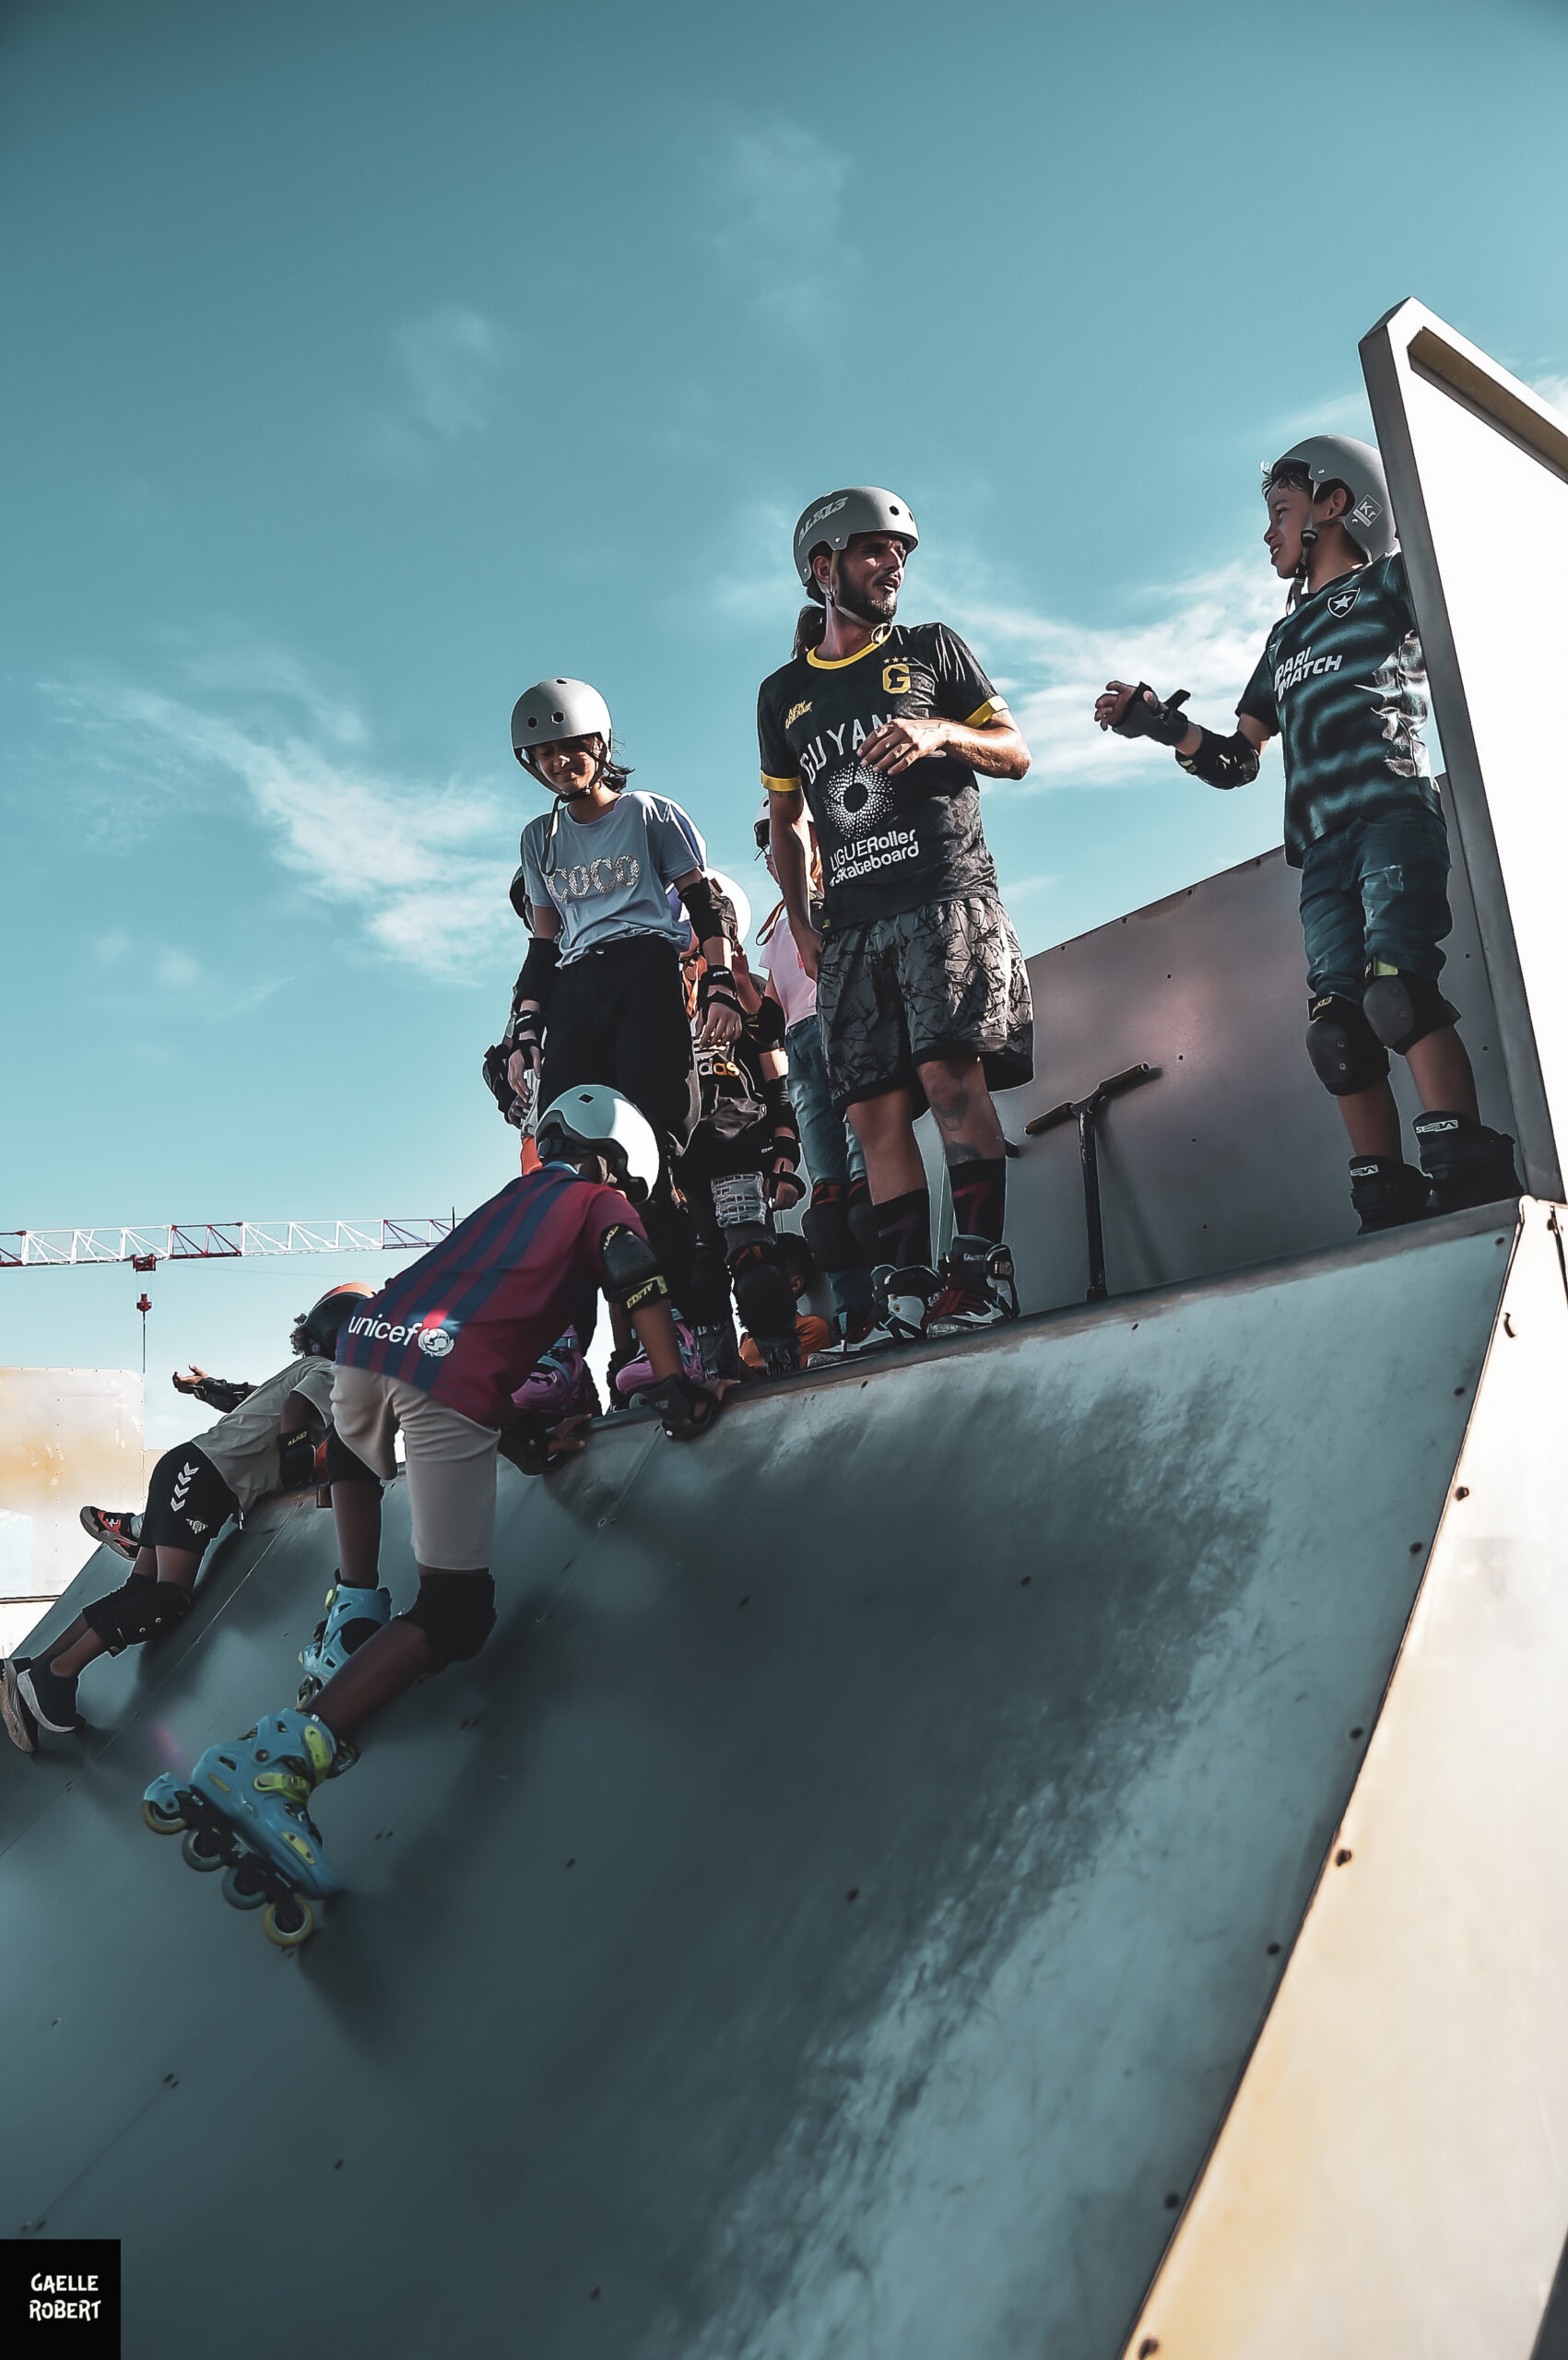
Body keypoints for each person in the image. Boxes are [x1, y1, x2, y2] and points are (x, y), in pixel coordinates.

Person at [141, 1087, 722, 1926]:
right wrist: (675, 1385)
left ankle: (353, 1602)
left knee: (357, 1445)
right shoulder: (596, 1200)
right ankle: (275, 1766)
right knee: (455, 1611)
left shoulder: (505, 1203)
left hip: (363, 1351)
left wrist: (521, 1435)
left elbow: (446, 1321)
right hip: (442, 1380)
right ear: (615, 1161)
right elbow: (632, 1270)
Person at [1094, 433, 1521, 1229]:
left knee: (1395, 993)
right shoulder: (1281, 640)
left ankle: (1466, 1170)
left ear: (1334, 504)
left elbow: (1475, 600)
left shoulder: (1391, 582)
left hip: (1391, 817)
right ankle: (1385, 1195)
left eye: (1280, 513)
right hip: (1320, 849)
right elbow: (1236, 761)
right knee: (1337, 1031)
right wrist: (1161, 725)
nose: (1267, 533)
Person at [758, 488, 1034, 1353]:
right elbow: (786, 821)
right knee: (873, 1116)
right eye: (874, 550)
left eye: (901, 553)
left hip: (942, 896)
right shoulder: (782, 694)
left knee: (952, 1085)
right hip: (851, 927)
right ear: (823, 566)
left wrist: (939, 734)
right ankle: (904, 1295)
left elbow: (1015, 752)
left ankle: (981, 1277)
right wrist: (803, 923)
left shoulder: (931, 649)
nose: (893, 566)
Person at [2, 1285, 378, 1753]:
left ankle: (35, 1667)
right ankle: (56, 1676)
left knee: (139, 1590)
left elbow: (252, 1402)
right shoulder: (329, 1371)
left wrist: (209, 1389)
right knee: (169, 1599)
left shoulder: (303, 1368)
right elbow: (295, 1413)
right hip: (203, 1479)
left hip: (189, 1470)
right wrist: (299, 1462)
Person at [497, 678, 743, 1308]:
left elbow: (704, 903)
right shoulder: (539, 839)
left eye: (569, 748)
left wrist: (719, 982)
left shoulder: (648, 814)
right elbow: (544, 944)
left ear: (601, 746)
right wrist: (526, 1029)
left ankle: (687, 1319)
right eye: (544, 755)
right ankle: (609, 1330)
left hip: (645, 971)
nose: (558, 763)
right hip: (578, 984)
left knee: (650, 1149)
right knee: (568, 1154)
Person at [752, 801, 878, 1345]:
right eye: (766, 841)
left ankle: (895, 1295)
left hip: (847, 1032)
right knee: (827, 1201)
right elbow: (769, 1020)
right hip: (801, 1050)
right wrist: (732, 976)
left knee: (865, 1187)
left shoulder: (847, 896)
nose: (772, 849)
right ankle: (854, 1315)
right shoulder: (778, 931)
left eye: (780, 834)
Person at [668, 896, 804, 1380]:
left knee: (756, 1270)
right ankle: (718, 1377)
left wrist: (784, 1152)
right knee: (700, 1279)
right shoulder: (660, 1004)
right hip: (684, 1163)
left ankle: (782, 1363)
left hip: (739, 1147)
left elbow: (778, 1081)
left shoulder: (746, 994)